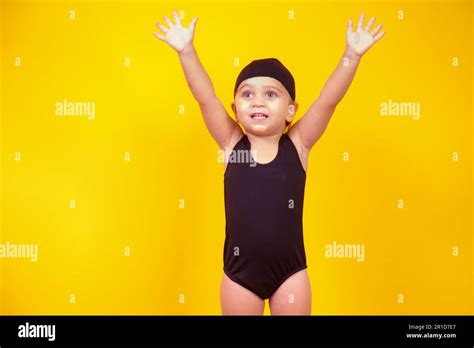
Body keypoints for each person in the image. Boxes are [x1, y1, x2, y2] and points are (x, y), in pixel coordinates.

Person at [154, 10, 384, 315]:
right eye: (247, 95)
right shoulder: (232, 143)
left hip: (290, 274)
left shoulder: (298, 144)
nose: (258, 101)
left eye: (271, 94)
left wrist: (351, 57)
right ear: (235, 108)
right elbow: (206, 97)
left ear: (291, 109)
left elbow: (328, 100)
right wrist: (187, 52)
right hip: (240, 276)